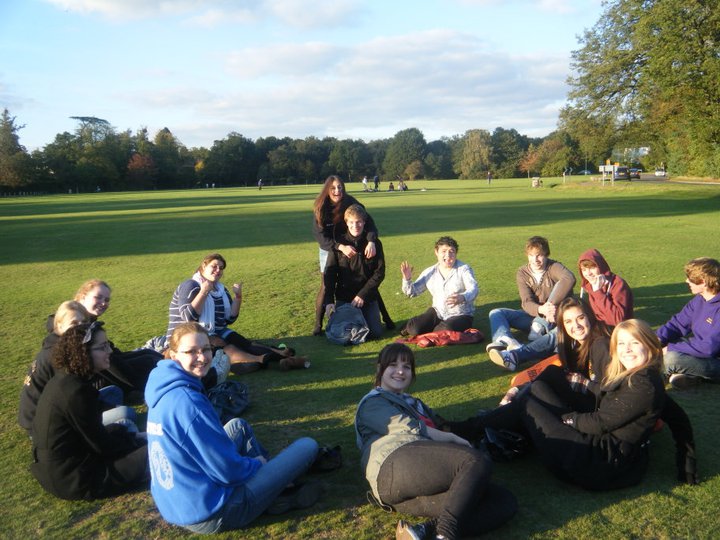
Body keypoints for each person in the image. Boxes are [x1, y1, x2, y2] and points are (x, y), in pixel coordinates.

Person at [146, 322, 321, 534]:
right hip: (214, 512)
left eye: (206, 349)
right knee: (307, 446)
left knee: (238, 426)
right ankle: (273, 494)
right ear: (174, 356)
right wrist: (255, 464)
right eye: (191, 352)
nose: (202, 357)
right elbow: (227, 472)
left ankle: (274, 492)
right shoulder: (189, 403)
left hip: (178, 504)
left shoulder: (162, 386)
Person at [355, 343, 517, 540]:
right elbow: (408, 428)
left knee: (502, 500)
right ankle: (446, 534)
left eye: (406, 367)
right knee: (475, 460)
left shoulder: (414, 403)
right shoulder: (372, 402)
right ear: (380, 368)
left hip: (416, 485)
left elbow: (444, 427)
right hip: (392, 466)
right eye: (393, 365)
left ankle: (424, 531)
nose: (400, 371)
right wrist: (451, 439)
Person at [30, 321, 148, 500]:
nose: (109, 351)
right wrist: (135, 440)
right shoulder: (75, 391)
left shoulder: (65, 380)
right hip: (77, 478)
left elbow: (92, 436)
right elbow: (102, 445)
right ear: (82, 353)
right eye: (102, 347)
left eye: (107, 345)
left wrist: (129, 436)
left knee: (124, 426)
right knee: (158, 450)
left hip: (59, 469)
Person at [167, 253, 307, 373]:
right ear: (204, 265)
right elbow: (188, 317)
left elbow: (229, 319)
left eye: (221, 268)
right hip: (187, 335)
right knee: (226, 346)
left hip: (216, 331)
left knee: (241, 341)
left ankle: (281, 356)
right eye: (214, 266)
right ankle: (261, 359)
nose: (218, 270)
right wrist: (203, 292)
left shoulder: (220, 290)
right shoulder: (190, 285)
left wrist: (238, 297)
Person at [312, 175, 393, 335]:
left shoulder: (350, 202)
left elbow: (369, 222)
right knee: (326, 284)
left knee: (366, 277)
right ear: (327, 190)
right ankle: (318, 324)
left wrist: (371, 241)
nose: (337, 191)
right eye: (333, 188)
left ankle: (385, 318)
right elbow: (320, 236)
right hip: (331, 247)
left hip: (352, 241)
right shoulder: (321, 207)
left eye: (340, 187)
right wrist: (340, 246)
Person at [487, 236, 576, 366]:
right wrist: (541, 310)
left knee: (560, 333)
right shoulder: (522, 272)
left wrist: (550, 306)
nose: (535, 260)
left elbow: (569, 278)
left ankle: (522, 352)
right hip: (533, 317)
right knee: (496, 313)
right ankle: (505, 341)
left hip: (555, 317)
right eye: (531, 255)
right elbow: (526, 302)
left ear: (546, 255)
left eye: (539, 255)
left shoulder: (554, 267)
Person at [75, 279, 163, 401]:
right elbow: (109, 363)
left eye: (106, 300)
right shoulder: (79, 323)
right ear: (83, 297)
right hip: (96, 380)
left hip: (106, 367)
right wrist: (136, 385)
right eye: (98, 297)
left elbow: (114, 354)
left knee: (149, 354)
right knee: (149, 361)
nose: (103, 303)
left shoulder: (89, 320)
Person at [324, 204, 386, 339]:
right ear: (346, 223)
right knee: (343, 332)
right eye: (351, 222)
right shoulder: (339, 245)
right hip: (344, 297)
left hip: (367, 296)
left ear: (364, 222)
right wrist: (329, 300)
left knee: (375, 333)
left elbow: (379, 273)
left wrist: (363, 295)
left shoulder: (375, 244)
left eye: (358, 222)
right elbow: (330, 275)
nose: (355, 226)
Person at [657, 257, 720, 389]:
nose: (687, 281)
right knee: (660, 345)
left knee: (671, 359)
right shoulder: (699, 300)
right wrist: (656, 339)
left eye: (690, 278)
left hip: (715, 359)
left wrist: (669, 348)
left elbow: (709, 347)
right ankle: (690, 377)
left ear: (703, 281)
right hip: (703, 355)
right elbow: (677, 324)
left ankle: (649, 387)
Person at [400, 236, 478, 337]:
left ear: (456, 253)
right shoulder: (429, 272)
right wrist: (407, 279)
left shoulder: (464, 269)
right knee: (415, 329)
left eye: (452, 251)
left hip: (461, 314)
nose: (448, 255)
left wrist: (463, 297)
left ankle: (435, 328)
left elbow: (474, 289)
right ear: (436, 252)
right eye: (444, 251)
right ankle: (413, 326)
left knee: (445, 330)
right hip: (438, 312)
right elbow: (412, 292)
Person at [577, 248, 633, 326]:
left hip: (617, 330)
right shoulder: (589, 285)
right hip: (597, 328)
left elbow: (617, 319)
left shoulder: (618, 284)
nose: (588, 273)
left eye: (592, 268)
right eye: (584, 270)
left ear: (600, 266)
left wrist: (598, 292)